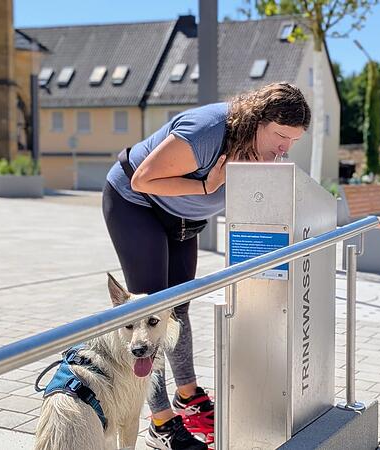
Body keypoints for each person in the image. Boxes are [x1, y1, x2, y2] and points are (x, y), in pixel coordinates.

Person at [102, 82, 311, 450]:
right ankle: (161, 421)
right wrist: (206, 188)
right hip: (136, 205)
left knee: (177, 310)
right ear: (257, 120)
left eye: (292, 141)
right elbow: (143, 178)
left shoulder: (262, 153)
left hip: (182, 219)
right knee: (152, 313)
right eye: (280, 136)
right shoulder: (209, 131)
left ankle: (188, 398)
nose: (284, 148)